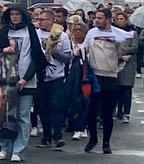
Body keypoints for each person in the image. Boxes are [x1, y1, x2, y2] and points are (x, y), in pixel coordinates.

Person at [0, 4, 48, 162]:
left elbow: (36, 57)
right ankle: (6, 146)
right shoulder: (3, 31)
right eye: (12, 14)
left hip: (27, 80)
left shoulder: (30, 30)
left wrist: (25, 78)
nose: (14, 17)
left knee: (23, 117)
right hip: (6, 80)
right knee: (6, 116)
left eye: (17, 14)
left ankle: (19, 149)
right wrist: (3, 50)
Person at [83, 8, 134, 154]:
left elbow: (122, 51)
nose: (96, 20)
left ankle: (106, 142)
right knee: (91, 111)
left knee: (107, 113)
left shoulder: (117, 34)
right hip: (94, 77)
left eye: (100, 18)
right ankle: (93, 139)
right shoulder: (91, 33)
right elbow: (84, 48)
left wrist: (120, 46)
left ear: (107, 19)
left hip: (110, 76)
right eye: (95, 18)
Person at [35, 10, 72, 150]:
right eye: (38, 19)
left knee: (56, 106)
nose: (40, 22)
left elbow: (67, 58)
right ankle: (46, 136)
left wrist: (53, 50)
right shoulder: (35, 34)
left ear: (51, 21)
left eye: (43, 19)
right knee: (42, 108)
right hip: (40, 76)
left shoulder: (61, 35)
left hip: (56, 76)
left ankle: (57, 135)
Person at [114, 12, 138, 124]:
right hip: (116, 62)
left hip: (129, 63)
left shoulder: (132, 32)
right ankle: (118, 111)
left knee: (127, 89)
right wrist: (120, 54)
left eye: (121, 19)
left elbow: (135, 47)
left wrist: (124, 51)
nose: (119, 21)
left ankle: (126, 113)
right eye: (117, 19)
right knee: (117, 89)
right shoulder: (113, 32)